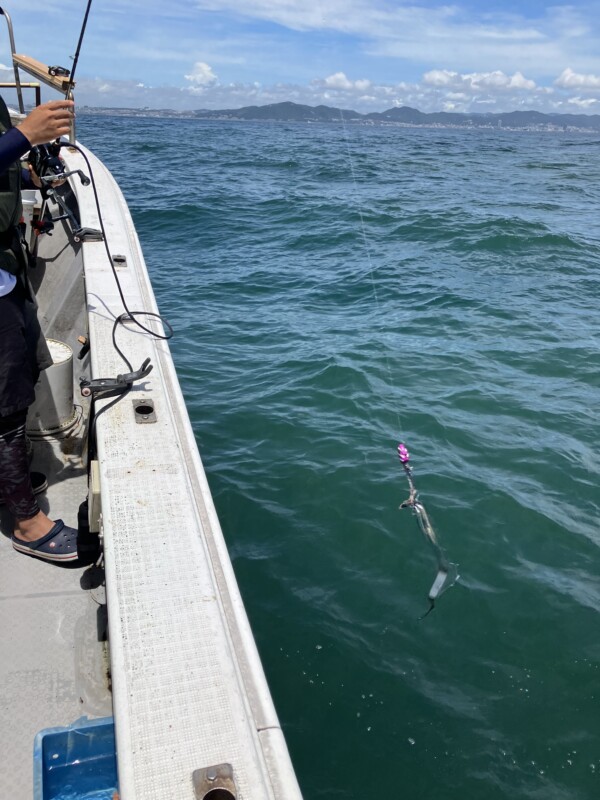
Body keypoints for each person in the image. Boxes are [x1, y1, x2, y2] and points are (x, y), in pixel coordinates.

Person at [0, 96, 80, 562]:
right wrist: (24, 135)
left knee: (22, 371)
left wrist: (26, 171)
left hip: (6, 267)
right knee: (5, 408)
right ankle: (28, 525)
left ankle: (5, 482)